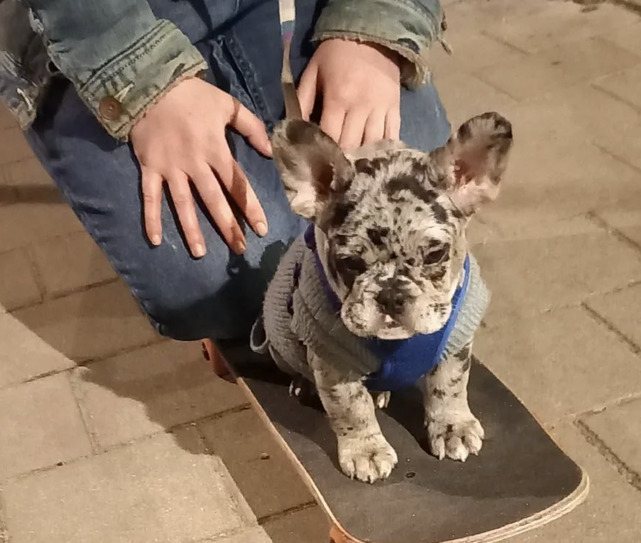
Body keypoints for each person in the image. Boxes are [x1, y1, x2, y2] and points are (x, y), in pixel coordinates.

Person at [0, 0, 451, 342]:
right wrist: (139, 82)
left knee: (417, 203)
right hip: (95, 20)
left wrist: (376, 23)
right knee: (218, 281)